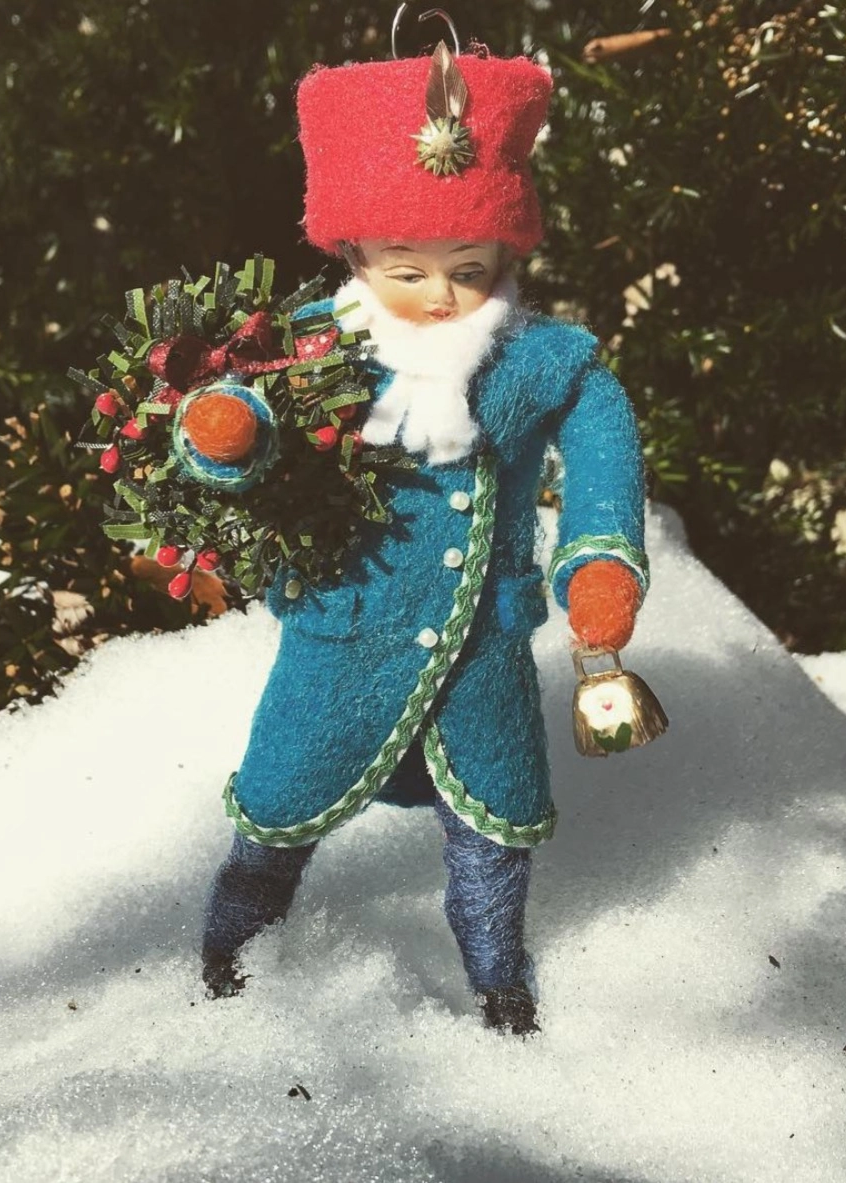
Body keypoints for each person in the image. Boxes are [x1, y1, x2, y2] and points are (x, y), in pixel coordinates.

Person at [189, 47, 648, 1036]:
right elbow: (246, 428)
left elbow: (602, 458)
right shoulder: (308, 346)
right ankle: (228, 952)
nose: (440, 294)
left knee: (493, 830)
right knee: (275, 809)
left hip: (482, 650)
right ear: (355, 254)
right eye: (407, 271)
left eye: (469, 270)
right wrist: (226, 438)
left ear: (505, 256)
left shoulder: (544, 360)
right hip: (340, 637)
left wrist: (600, 561)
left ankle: (499, 981)